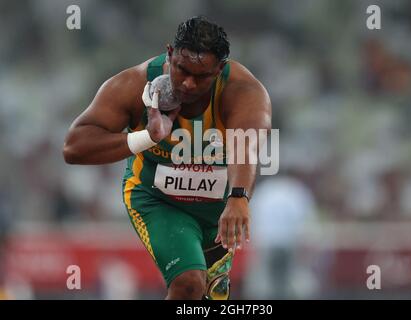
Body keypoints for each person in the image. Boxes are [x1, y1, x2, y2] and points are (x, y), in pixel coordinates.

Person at [63, 16, 272, 300]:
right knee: (189, 284)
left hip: (218, 209)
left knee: (210, 299)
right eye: (181, 69)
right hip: (158, 201)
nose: (187, 83)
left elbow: (245, 147)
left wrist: (238, 197)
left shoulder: (243, 91)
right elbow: (74, 148)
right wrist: (147, 137)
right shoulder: (135, 84)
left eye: (200, 77)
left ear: (220, 70)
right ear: (170, 54)